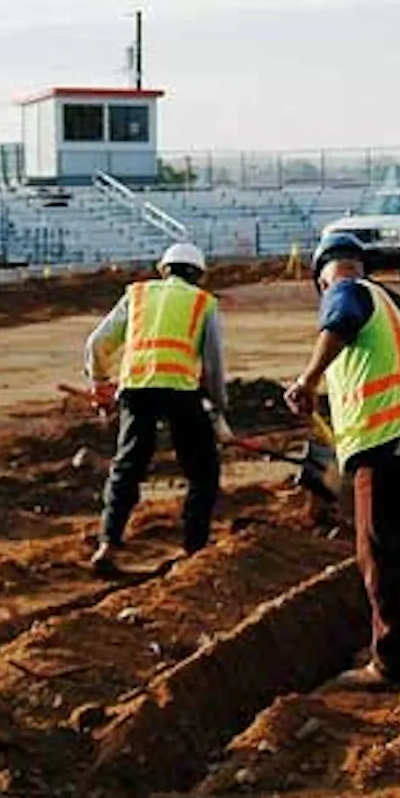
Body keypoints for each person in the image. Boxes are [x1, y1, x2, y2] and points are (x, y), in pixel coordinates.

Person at [284, 233, 400, 689]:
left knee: (379, 553)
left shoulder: (345, 289)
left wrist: (308, 380)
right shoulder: (391, 306)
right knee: (399, 550)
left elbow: (341, 317)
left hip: (390, 439)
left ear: (321, 278)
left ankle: (390, 665)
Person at [86, 242, 230, 575]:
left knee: (127, 467)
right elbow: (214, 365)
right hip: (180, 391)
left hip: (136, 389)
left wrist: (99, 381)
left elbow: (97, 342)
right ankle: (193, 548)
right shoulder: (202, 303)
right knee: (203, 471)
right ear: (198, 275)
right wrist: (219, 410)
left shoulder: (137, 294)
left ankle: (108, 543)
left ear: (163, 269)